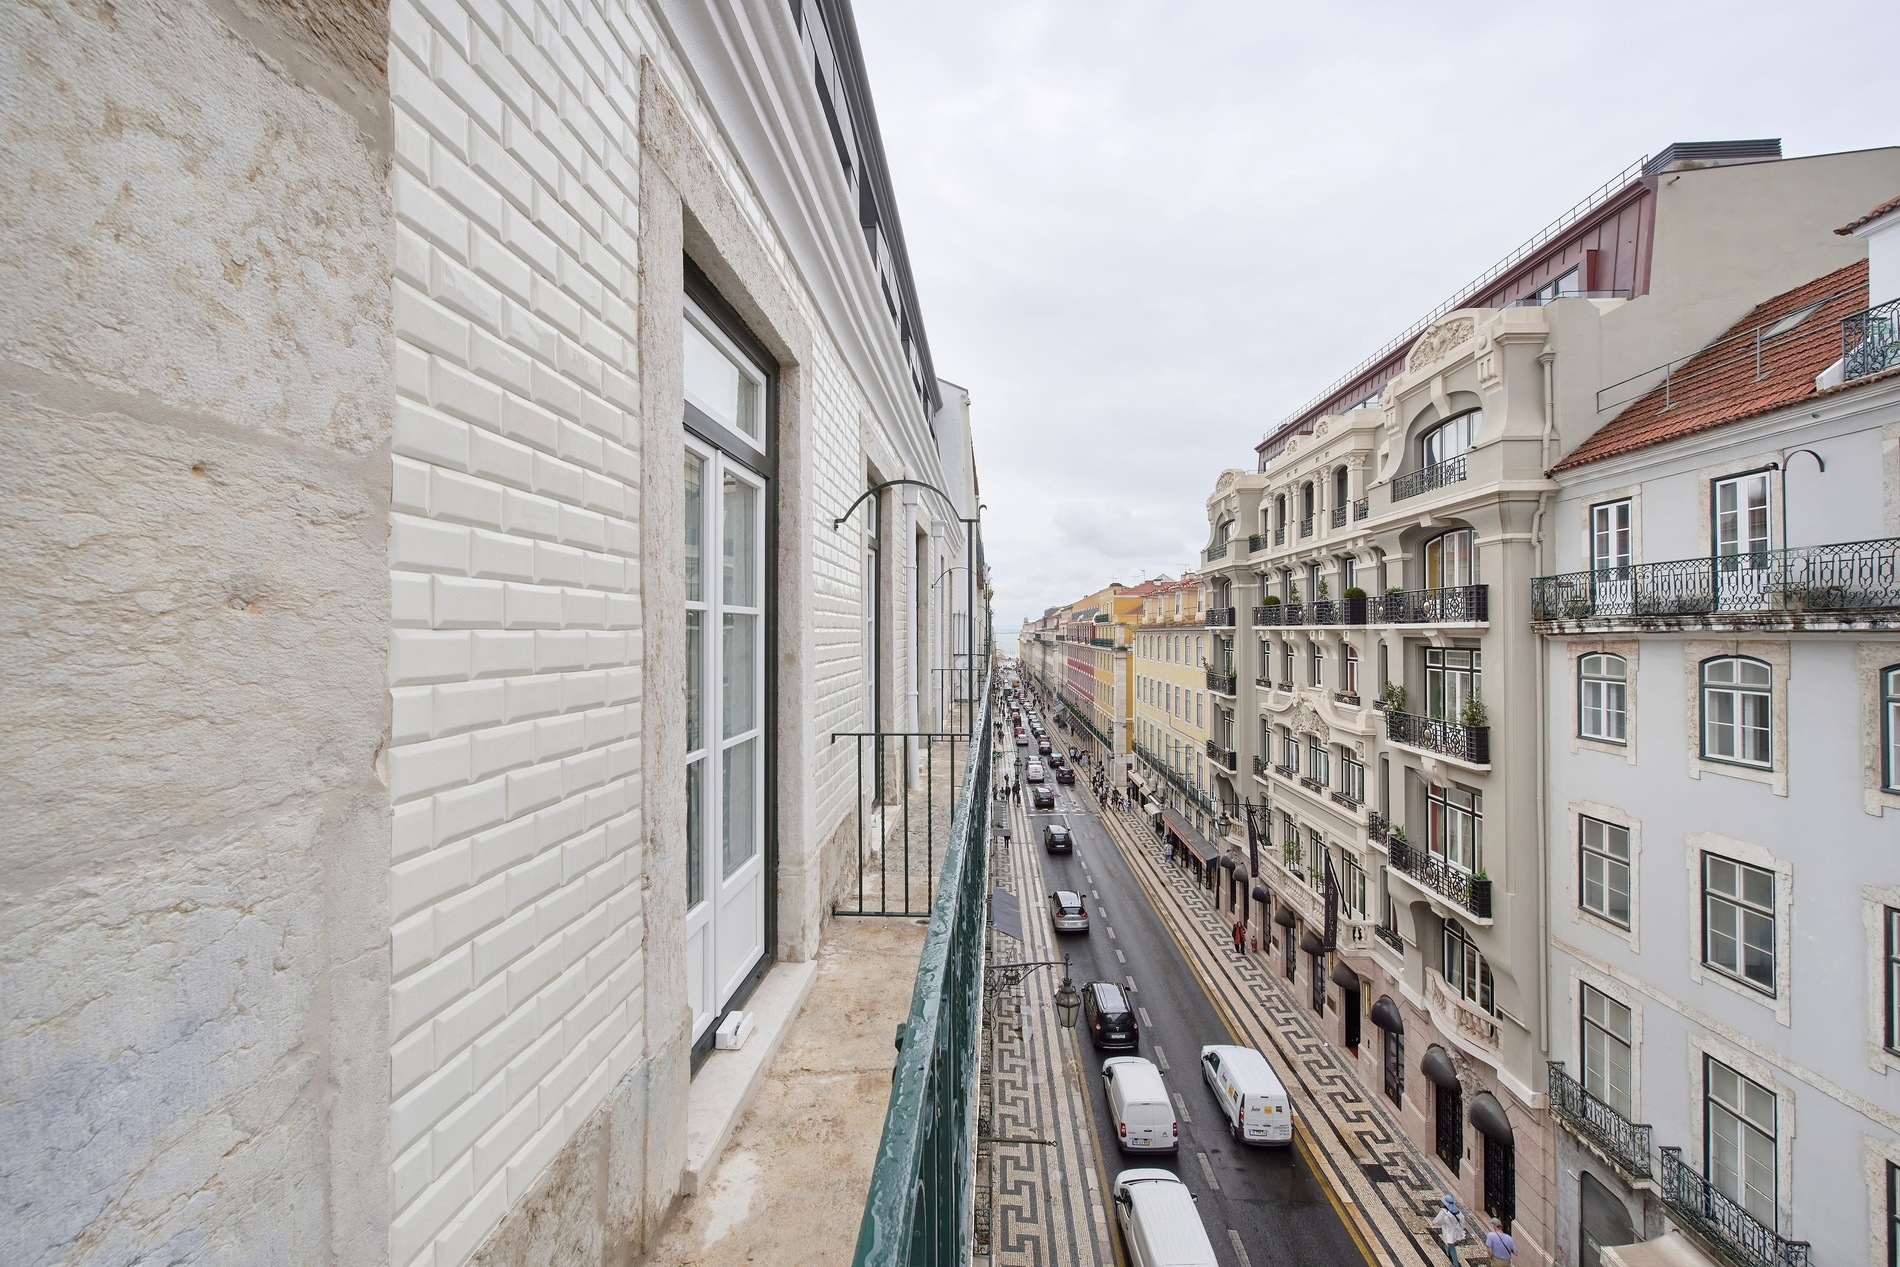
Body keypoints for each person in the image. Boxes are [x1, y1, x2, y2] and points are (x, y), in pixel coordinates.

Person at [1430, 1195, 1464, 1265]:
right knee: (1451, 1243)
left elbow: (1437, 1221)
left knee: (1452, 1246)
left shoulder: (1444, 1212)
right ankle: (1449, 1253)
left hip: (1449, 1231)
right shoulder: (1457, 1211)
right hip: (1457, 1230)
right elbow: (1462, 1219)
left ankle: (1455, 1264)